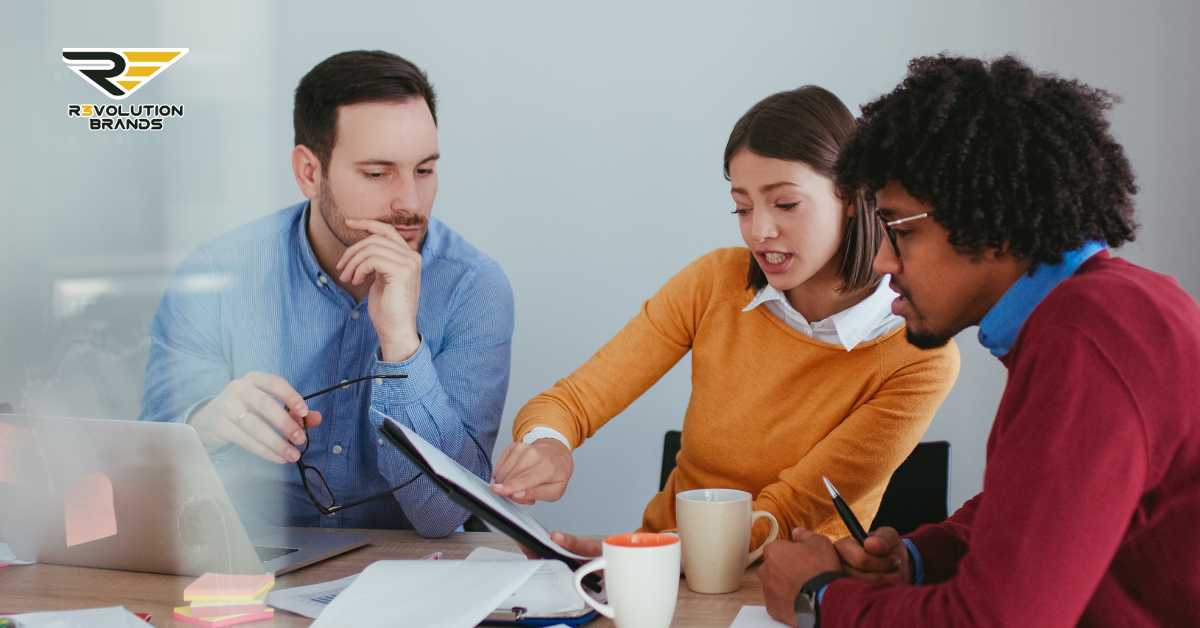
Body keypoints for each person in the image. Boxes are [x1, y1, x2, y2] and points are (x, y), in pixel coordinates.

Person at [759, 55, 1200, 627]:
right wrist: (918, 559)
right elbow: (1047, 507)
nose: (882, 260)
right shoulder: (1106, 311)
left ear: (989, 224)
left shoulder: (1086, 338)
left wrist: (818, 597)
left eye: (899, 230)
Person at [491, 86, 959, 554]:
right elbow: (574, 400)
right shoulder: (715, 282)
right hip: (662, 567)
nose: (759, 230)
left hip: (786, 583)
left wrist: (648, 553)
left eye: (786, 204)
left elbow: (790, 509)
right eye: (742, 206)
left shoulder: (918, 354)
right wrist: (548, 443)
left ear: (853, 195)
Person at [139, 50, 514, 537]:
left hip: (410, 577)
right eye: (378, 174)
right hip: (249, 575)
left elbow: (443, 516)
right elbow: (146, 482)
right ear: (309, 173)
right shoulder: (216, 276)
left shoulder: (473, 287)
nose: (411, 203)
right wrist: (204, 426)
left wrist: (401, 342)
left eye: (424, 170)